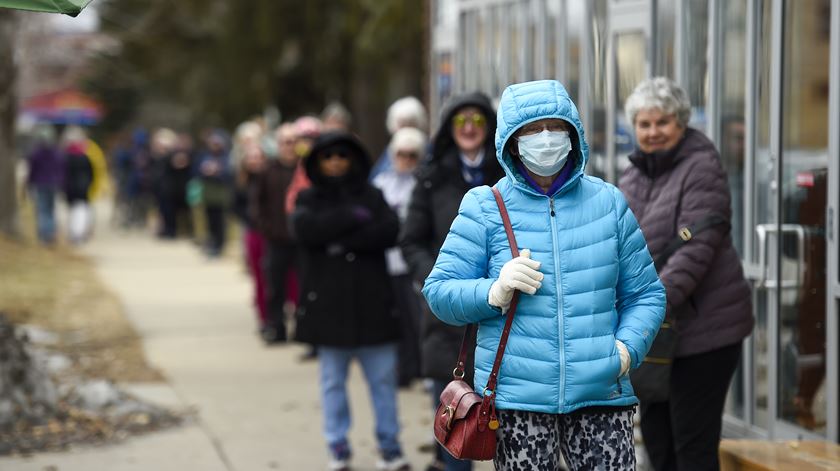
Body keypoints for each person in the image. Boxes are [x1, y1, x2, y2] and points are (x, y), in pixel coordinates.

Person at [422, 79, 666, 470]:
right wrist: (493, 290)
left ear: (574, 134)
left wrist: (625, 351)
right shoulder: (485, 206)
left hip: (601, 393)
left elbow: (646, 294)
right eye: (533, 130)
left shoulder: (608, 203)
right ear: (511, 141)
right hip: (518, 401)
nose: (546, 138)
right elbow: (439, 292)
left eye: (556, 127)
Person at [618, 77, 754, 471]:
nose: (653, 132)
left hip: (704, 334)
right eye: (644, 124)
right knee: (658, 446)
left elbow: (694, 253)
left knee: (692, 448)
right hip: (656, 335)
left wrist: (645, 307)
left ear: (681, 123)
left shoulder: (702, 166)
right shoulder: (633, 176)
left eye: (662, 122)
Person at [290, 131, 409, 471]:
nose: (336, 162)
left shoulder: (372, 195)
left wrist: (339, 242)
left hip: (373, 306)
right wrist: (350, 219)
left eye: (342, 155)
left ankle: (389, 447)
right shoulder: (309, 197)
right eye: (328, 157)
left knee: (383, 381)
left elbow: (389, 231)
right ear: (318, 162)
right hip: (329, 309)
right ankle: (337, 447)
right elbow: (304, 231)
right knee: (332, 383)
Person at [399, 91, 504, 471]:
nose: (470, 128)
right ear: (449, 128)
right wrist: (438, 282)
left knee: (507, 428)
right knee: (456, 420)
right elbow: (411, 239)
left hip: (501, 312)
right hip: (447, 319)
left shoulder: (507, 174)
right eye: (461, 121)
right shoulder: (432, 178)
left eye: (478, 120)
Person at [373, 127, 427, 387]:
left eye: (412, 154)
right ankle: (402, 369)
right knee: (395, 318)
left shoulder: (423, 183)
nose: (405, 159)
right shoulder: (382, 182)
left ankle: (418, 367)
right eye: (401, 154)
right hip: (387, 261)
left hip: (411, 263)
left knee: (415, 318)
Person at [252, 123, 300, 344]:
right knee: (275, 286)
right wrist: (267, 228)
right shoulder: (268, 171)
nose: (288, 147)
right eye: (284, 142)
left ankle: (303, 330)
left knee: (303, 287)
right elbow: (258, 204)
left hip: (301, 240)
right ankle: (276, 328)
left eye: (292, 142)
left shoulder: (304, 170)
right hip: (276, 239)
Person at [233, 144, 268, 333]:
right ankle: (264, 318)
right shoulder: (242, 182)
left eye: (258, 156)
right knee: (259, 276)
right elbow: (236, 206)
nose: (255, 160)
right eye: (251, 157)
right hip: (253, 231)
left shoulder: (273, 176)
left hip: (273, 234)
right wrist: (251, 219)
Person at [370, 96, 428, 180]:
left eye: (411, 123)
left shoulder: (428, 150)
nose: (407, 129)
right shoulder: (389, 153)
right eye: (403, 125)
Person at [197, 130, 233, 258]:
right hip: (208, 195)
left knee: (220, 222)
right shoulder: (205, 156)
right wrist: (205, 171)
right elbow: (197, 172)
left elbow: (229, 175)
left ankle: (220, 245)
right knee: (210, 221)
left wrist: (217, 172)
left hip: (221, 195)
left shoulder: (226, 157)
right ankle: (211, 243)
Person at [26, 124, 63, 245]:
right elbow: (60, 169)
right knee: (50, 209)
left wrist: (29, 183)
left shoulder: (36, 153)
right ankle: (50, 234)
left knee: (42, 209)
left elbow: (32, 170)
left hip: (40, 183)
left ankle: (44, 235)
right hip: (52, 184)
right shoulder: (56, 153)